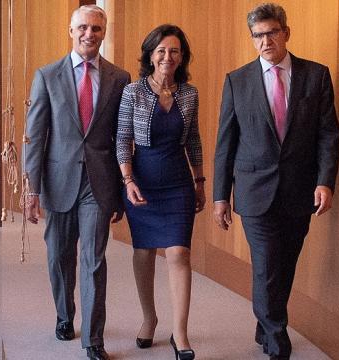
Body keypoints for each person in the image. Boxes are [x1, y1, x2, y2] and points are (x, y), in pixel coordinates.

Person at [212, 3, 339, 359]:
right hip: (254, 192)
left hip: (300, 190)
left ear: (285, 32)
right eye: (257, 36)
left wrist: (325, 181)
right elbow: (226, 142)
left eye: (270, 33)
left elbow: (328, 135)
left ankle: (264, 322)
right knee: (267, 262)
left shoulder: (316, 76)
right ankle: (276, 338)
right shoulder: (237, 81)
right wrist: (220, 196)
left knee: (284, 264)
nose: (265, 41)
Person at [23, 5, 130, 360]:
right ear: (71, 31)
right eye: (83, 27)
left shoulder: (119, 78)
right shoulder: (47, 76)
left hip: (98, 184)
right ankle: (64, 315)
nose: (89, 34)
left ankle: (93, 339)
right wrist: (32, 188)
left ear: (104, 32)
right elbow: (36, 136)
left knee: (94, 260)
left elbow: (121, 136)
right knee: (59, 256)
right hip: (57, 179)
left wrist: (121, 187)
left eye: (97, 29)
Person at [116, 24, 204, 360]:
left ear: (182, 57)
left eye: (175, 51)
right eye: (161, 51)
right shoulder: (133, 92)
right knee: (144, 253)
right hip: (142, 180)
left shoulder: (189, 93)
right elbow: (123, 139)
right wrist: (127, 180)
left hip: (178, 182)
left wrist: (200, 182)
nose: (168, 57)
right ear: (151, 55)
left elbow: (193, 139)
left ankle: (180, 332)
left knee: (179, 253)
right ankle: (149, 317)